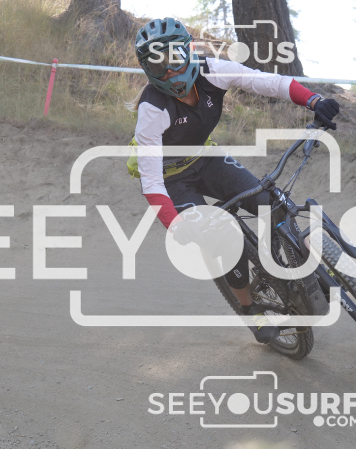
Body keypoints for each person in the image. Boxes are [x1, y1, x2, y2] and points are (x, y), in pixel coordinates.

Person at [131, 17, 340, 344]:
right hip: (173, 181)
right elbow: (151, 182)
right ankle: (249, 309)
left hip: (206, 158)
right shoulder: (152, 109)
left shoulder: (212, 70)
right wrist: (175, 224)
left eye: (174, 58)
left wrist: (313, 100)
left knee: (272, 203)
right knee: (226, 240)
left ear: (189, 51)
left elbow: (267, 82)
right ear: (148, 69)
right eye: (158, 65)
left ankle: (301, 268)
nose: (169, 71)